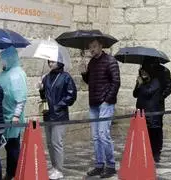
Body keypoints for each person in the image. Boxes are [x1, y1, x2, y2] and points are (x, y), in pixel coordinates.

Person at [81, 39, 120, 178]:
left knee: (104, 135)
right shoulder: (91, 63)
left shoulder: (110, 61)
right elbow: (90, 81)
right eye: (90, 47)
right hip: (93, 104)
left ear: (101, 46)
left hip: (105, 104)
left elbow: (116, 82)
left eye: (94, 46)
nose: (92, 49)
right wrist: (84, 73)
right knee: (96, 137)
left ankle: (110, 166)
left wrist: (107, 100)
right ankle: (99, 164)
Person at [37, 59, 77, 179]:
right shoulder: (46, 77)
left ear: (59, 62)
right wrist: (41, 88)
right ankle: (54, 167)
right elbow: (44, 96)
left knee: (56, 142)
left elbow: (71, 95)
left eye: (53, 61)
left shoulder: (66, 77)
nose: (50, 63)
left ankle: (59, 169)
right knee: (49, 143)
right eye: (49, 61)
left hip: (59, 115)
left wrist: (58, 106)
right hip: (48, 114)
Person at [0, 46, 28, 180]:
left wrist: (16, 115)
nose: (1, 63)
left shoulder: (17, 74)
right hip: (4, 116)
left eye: (3, 60)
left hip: (13, 118)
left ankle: (14, 173)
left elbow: (21, 98)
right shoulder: (4, 73)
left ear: (9, 58)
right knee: (8, 146)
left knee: (13, 147)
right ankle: (10, 172)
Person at [141, 61, 171, 162]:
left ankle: (156, 152)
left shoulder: (164, 71)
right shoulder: (144, 68)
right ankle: (148, 149)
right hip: (146, 104)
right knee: (147, 128)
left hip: (157, 105)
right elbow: (140, 88)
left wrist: (161, 96)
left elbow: (169, 87)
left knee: (157, 128)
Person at [133, 66, 163, 163]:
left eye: (145, 72)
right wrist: (138, 84)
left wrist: (141, 85)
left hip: (152, 112)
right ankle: (145, 152)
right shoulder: (141, 82)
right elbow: (135, 94)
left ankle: (156, 154)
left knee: (154, 133)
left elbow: (148, 92)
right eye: (141, 72)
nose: (143, 74)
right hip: (142, 111)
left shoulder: (155, 81)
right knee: (144, 133)